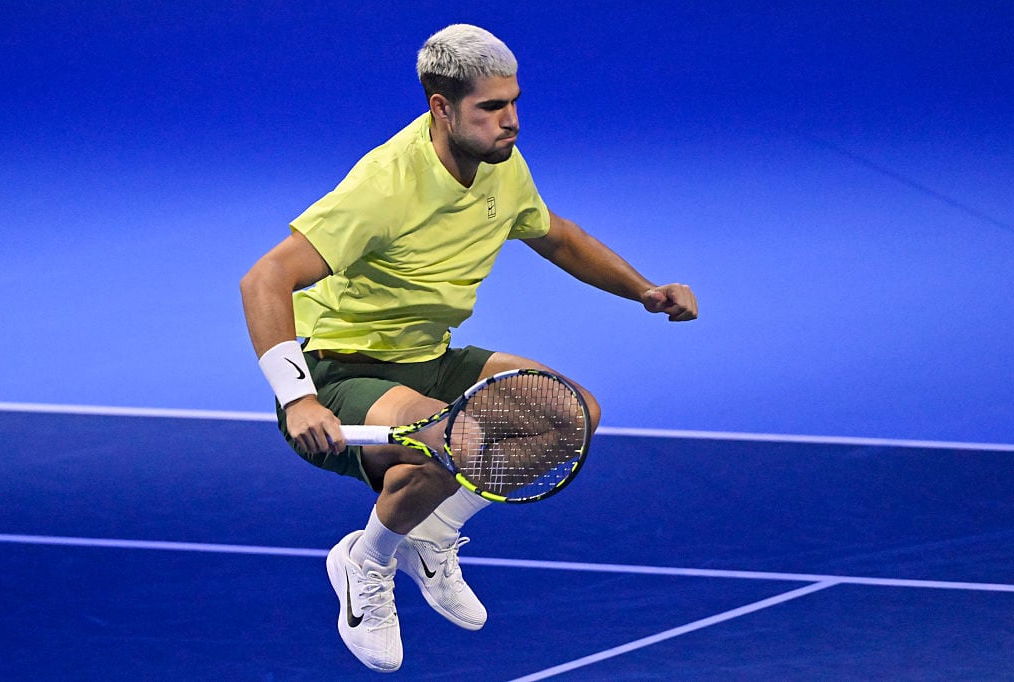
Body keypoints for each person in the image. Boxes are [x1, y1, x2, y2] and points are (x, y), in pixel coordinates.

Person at [239, 23, 698, 673]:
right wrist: (295, 397)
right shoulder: (385, 187)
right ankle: (364, 564)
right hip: (340, 369)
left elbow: (555, 235)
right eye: (491, 108)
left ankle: (429, 530)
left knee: (572, 413)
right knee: (458, 441)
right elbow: (264, 278)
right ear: (441, 108)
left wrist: (644, 290)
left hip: (427, 354)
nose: (510, 121)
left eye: (513, 102)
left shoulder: (499, 165)